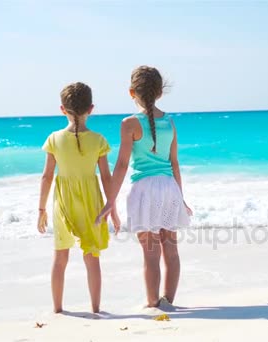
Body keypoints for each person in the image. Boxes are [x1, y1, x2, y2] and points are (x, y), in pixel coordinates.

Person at [96, 66, 192, 308]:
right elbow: (174, 163)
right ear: (160, 92)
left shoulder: (129, 123)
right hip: (169, 188)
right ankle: (168, 301)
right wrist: (180, 197)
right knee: (171, 250)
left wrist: (110, 200)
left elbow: (121, 164)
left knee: (150, 254)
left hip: (144, 191)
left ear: (131, 92)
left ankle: (152, 302)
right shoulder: (170, 122)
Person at [37, 82, 120, 313]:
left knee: (60, 257)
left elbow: (46, 177)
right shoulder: (99, 140)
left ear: (62, 109)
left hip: (62, 203)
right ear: (91, 109)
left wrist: (41, 209)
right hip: (91, 203)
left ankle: (57, 309)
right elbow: (106, 178)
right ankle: (95, 308)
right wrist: (112, 208)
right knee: (92, 257)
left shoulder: (54, 139)